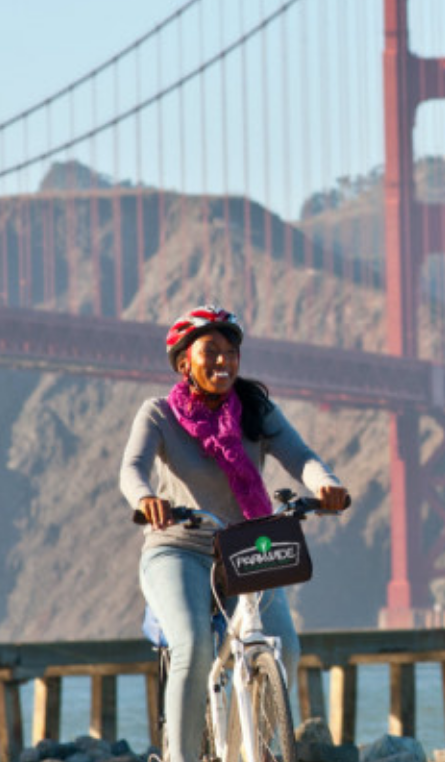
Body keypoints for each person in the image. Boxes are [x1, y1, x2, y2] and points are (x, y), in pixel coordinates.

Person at [120, 305, 351, 762]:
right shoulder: (159, 414)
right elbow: (132, 469)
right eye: (212, 351)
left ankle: (245, 751)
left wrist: (325, 484)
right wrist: (146, 499)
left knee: (284, 645)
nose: (224, 360)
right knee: (193, 647)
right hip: (178, 547)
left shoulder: (256, 411)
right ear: (184, 361)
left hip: (247, 546)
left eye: (232, 351)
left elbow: (299, 455)